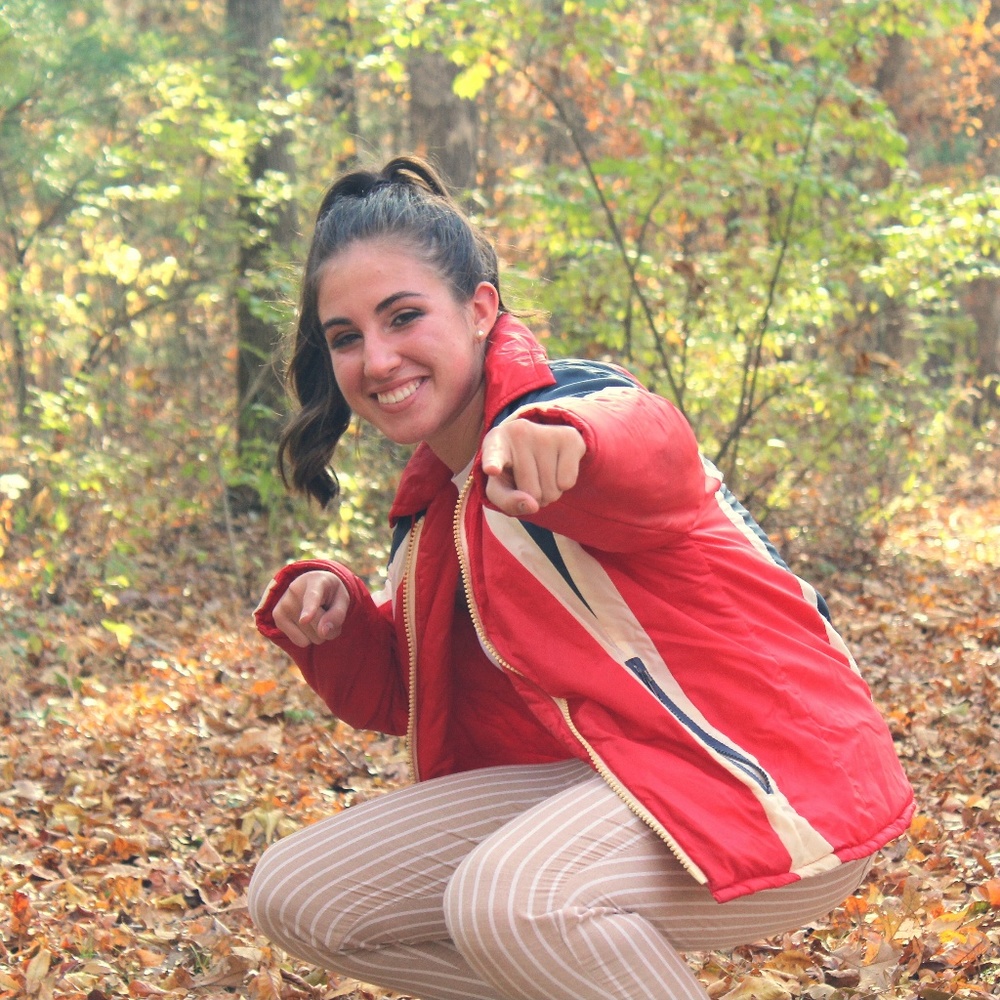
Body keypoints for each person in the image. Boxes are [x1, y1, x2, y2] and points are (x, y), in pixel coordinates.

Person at [248, 155, 914, 1000]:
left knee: (514, 902)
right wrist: (340, 619)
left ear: (481, 308)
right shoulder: (432, 507)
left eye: (403, 317)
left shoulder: (576, 406)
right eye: (346, 337)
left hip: (763, 769)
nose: (375, 359)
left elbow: (649, 451)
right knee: (300, 898)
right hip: (602, 771)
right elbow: (410, 697)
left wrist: (567, 440)